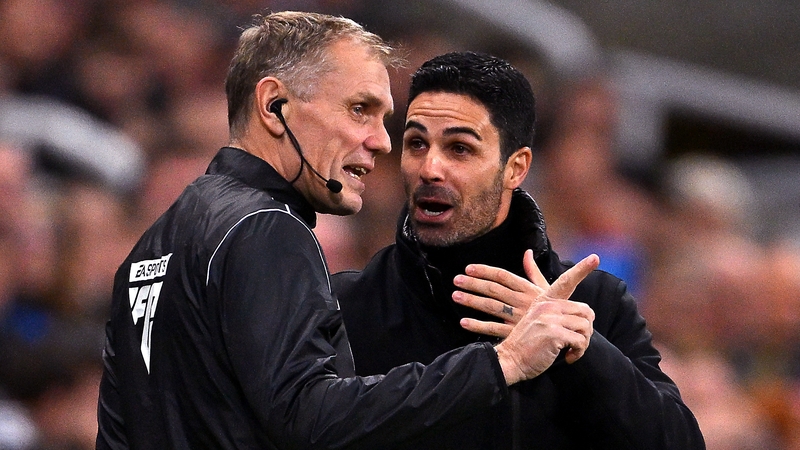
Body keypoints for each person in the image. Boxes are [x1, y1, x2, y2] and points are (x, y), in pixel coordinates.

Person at [96, 13, 601, 449]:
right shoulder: (264, 227)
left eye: (384, 117)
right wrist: (503, 362)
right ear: (275, 106)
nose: (382, 141)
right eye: (360, 110)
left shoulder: (156, 242)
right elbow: (309, 416)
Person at [332, 51, 705, 449]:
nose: (430, 168)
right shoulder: (346, 305)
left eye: (460, 148)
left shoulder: (593, 304)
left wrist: (586, 353)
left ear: (516, 168)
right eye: (416, 143)